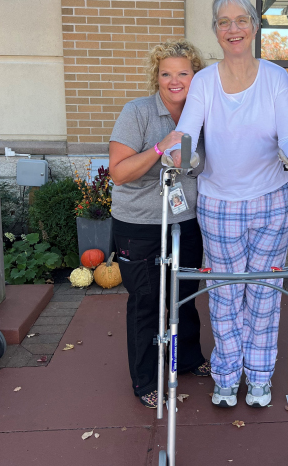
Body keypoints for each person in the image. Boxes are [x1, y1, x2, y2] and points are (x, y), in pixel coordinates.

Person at [167, 0, 288, 408]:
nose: (233, 29)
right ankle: (228, 374)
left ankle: (261, 376)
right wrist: (183, 153)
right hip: (219, 204)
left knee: (265, 290)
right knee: (226, 292)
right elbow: (188, 134)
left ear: (254, 25)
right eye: (223, 22)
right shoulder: (205, 82)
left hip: (272, 201)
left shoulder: (274, 77)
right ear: (215, 31)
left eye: (240, 20)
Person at [108, 40, 210, 410]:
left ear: (195, 76)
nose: (175, 80)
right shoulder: (137, 112)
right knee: (147, 302)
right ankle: (146, 380)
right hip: (140, 224)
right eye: (166, 73)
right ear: (157, 76)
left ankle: (188, 359)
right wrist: (158, 148)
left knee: (184, 294)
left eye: (183, 72)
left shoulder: (201, 114)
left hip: (186, 220)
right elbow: (118, 174)